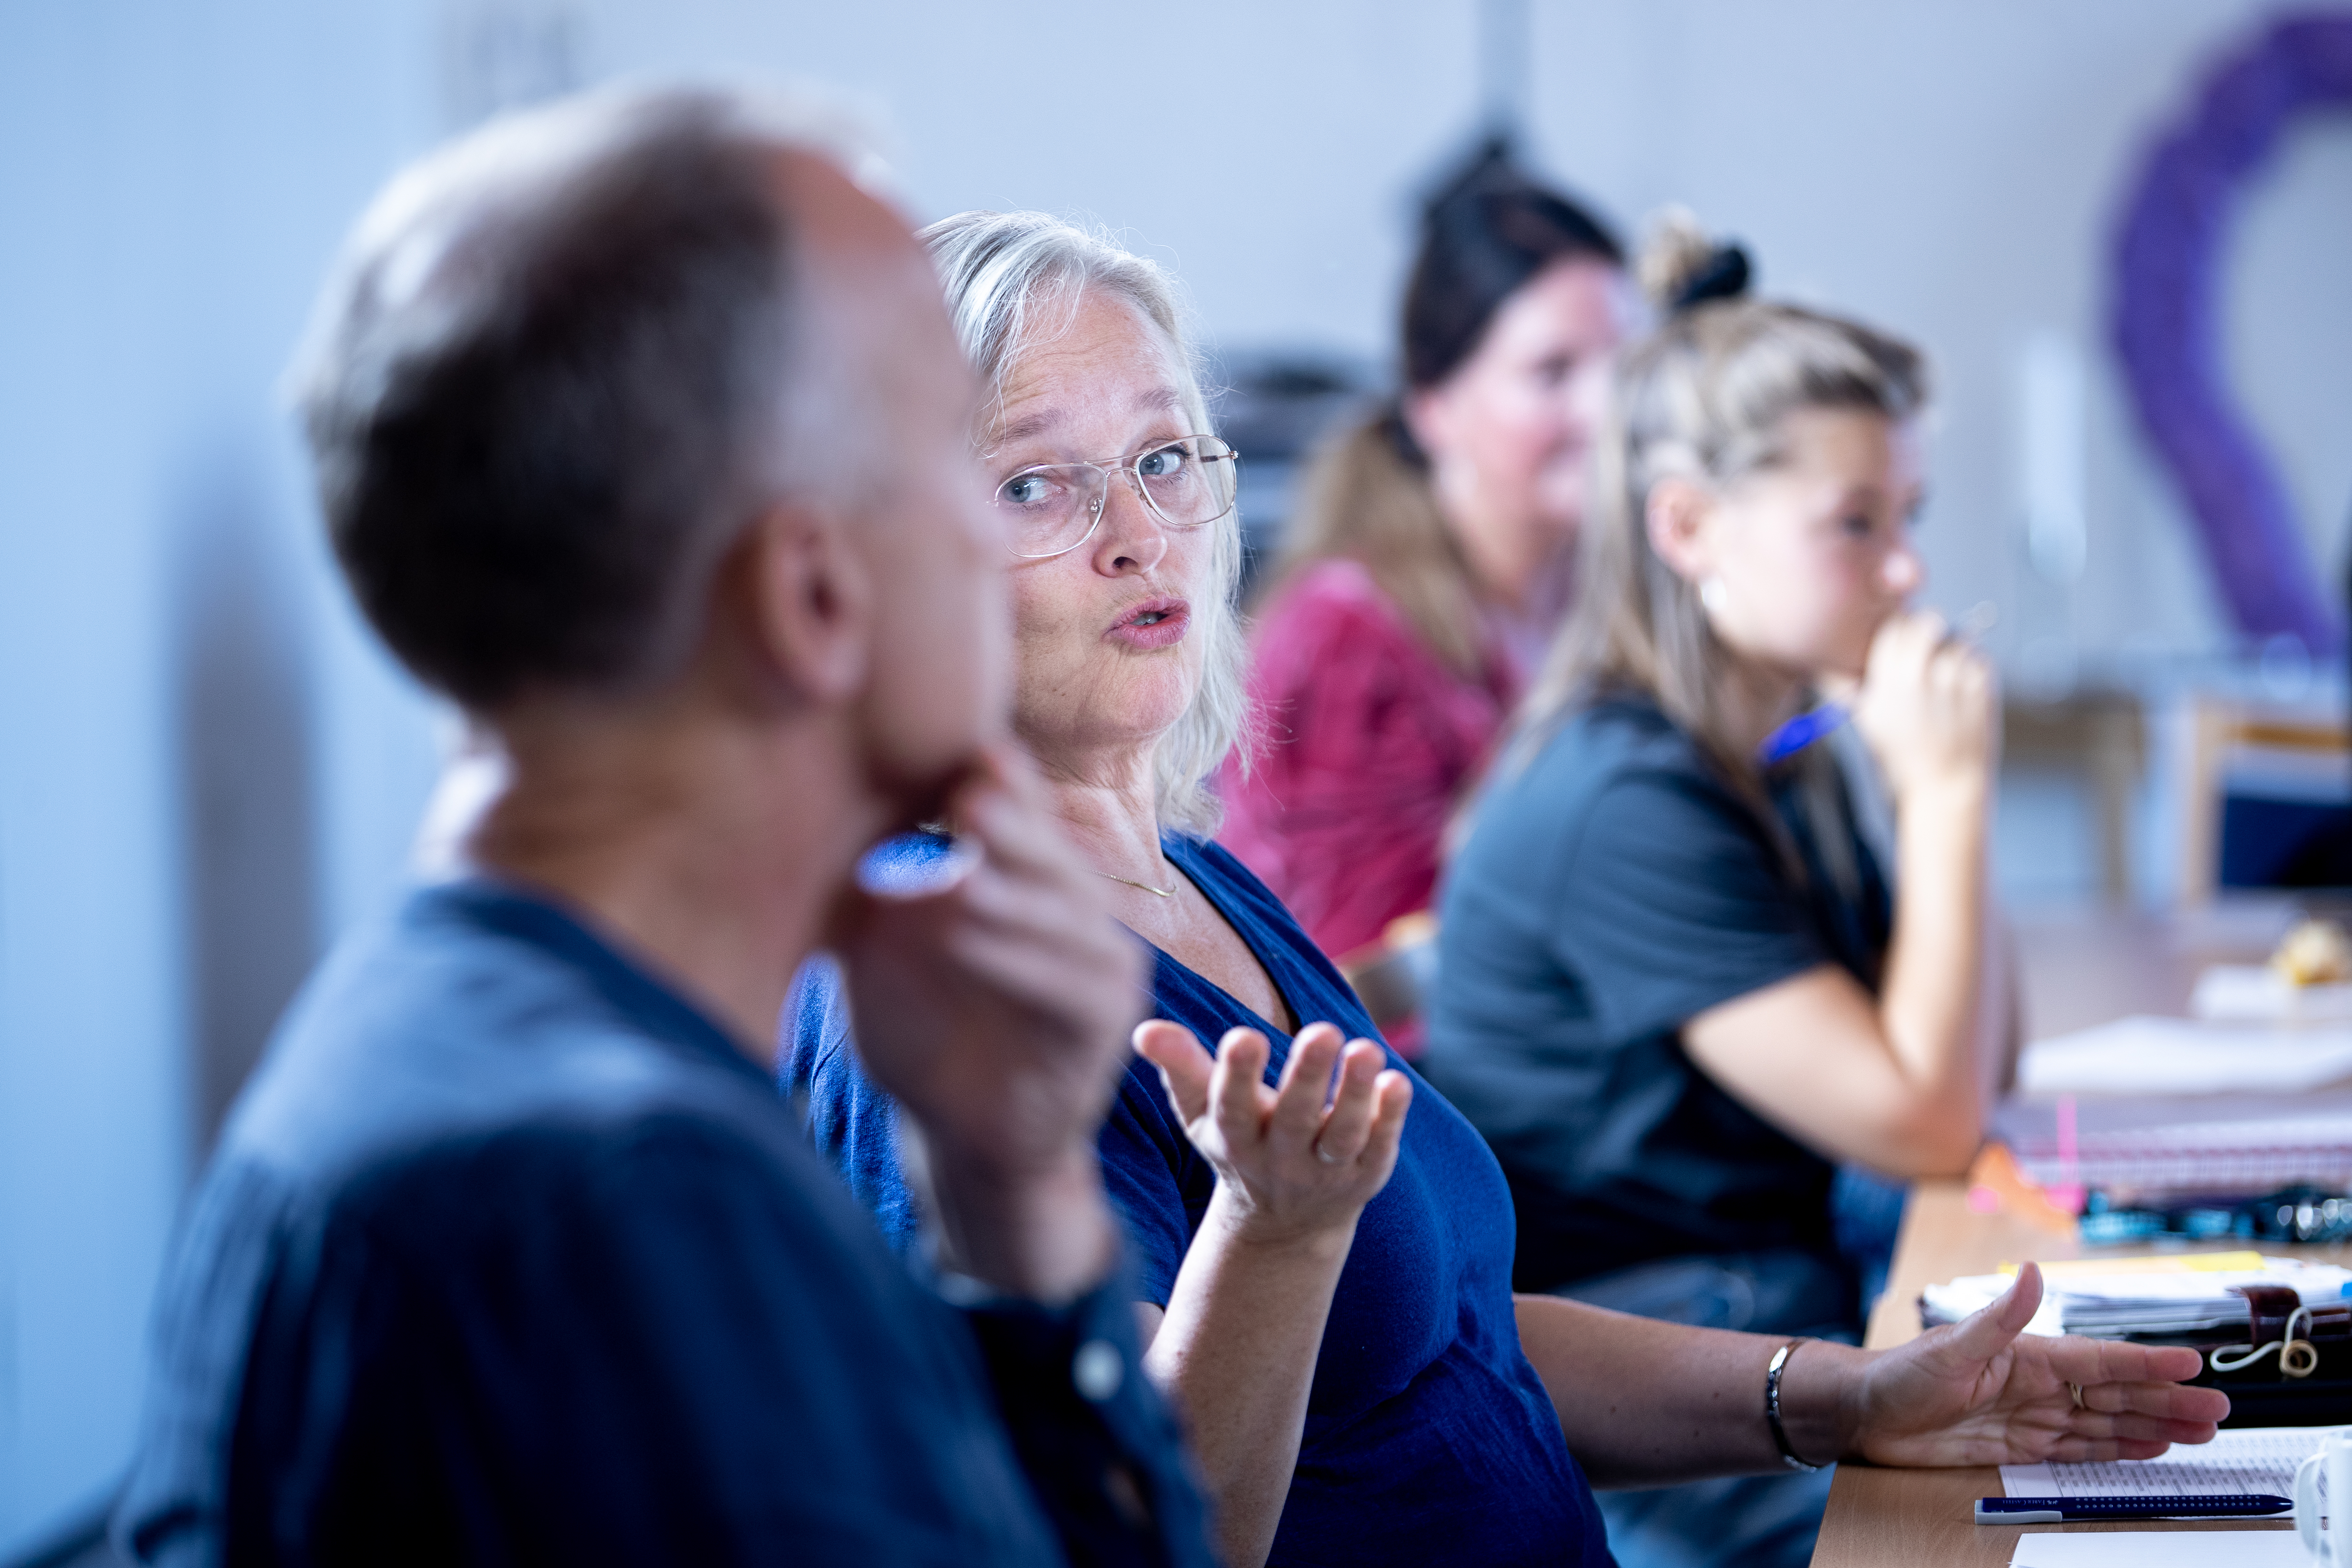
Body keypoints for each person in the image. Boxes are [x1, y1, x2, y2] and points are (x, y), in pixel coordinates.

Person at [787, 211, 2223, 1568]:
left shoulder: (1203, 888)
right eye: (1035, 482)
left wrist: (1846, 1398)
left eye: (1165, 458)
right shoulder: (932, 971)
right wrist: (1268, 1236)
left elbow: (1454, 1338)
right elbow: (1146, 1529)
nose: (1137, 531)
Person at [114, 86, 1214, 1568]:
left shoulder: (487, 1064)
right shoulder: (618, 1209)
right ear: (816, 596)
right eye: (979, 471)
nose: (1121, 535)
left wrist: (1011, 1201)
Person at [1419, 216, 2015, 1568]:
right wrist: (1949, 800)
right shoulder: (1624, 800)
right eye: (1853, 523)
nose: (1906, 569)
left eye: (1907, 516)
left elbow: (1975, 1062)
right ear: (1687, 526)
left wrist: (1933, 801)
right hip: (1663, 1389)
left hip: (1777, 1305)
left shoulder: (1780, 747)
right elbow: (1926, 1120)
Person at [1214, 141, 1634, 965]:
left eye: (1631, 368)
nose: (1610, 414)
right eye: (1554, 373)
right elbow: (1358, 991)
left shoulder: (1606, 598)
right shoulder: (1344, 644)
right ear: (1436, 407)